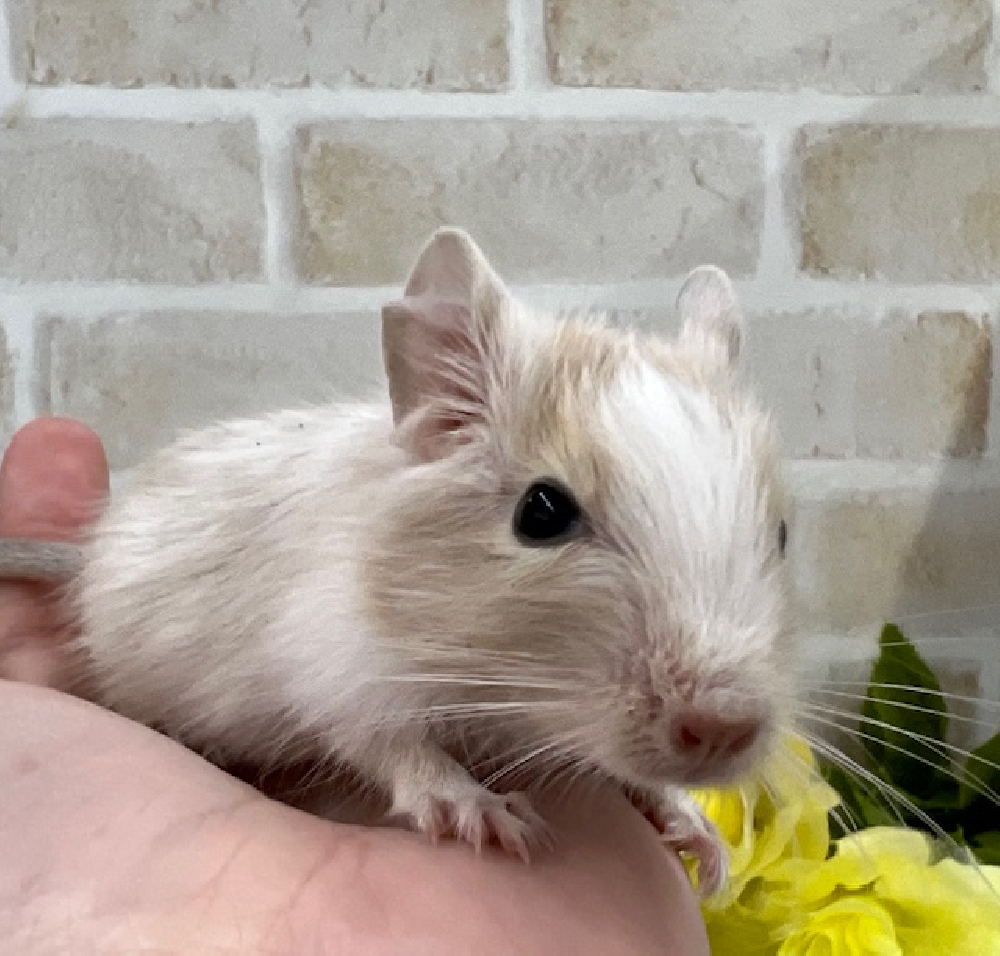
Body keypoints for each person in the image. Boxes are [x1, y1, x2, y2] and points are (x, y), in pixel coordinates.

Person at [0, 417, 710, 955]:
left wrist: (650, 789)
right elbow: (327, 673)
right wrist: (421, 771)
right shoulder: (404, 541)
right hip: (153, 638)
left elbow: (545, 716)